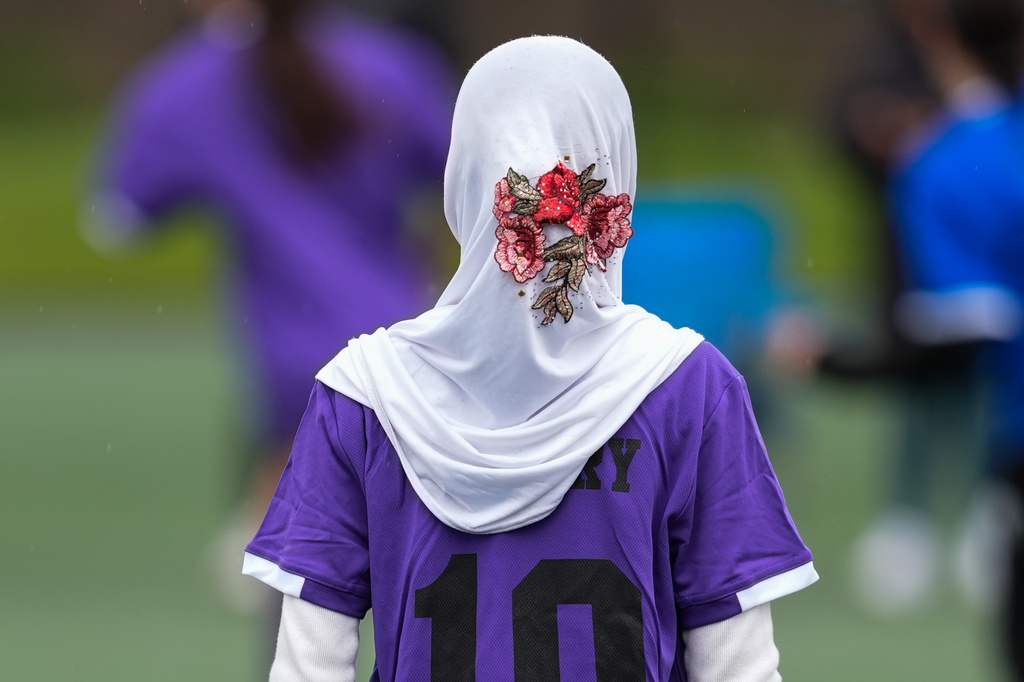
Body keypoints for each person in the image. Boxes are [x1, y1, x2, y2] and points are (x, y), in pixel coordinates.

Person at [242, 36, 817, 680]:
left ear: (464, 169)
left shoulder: (361, 391)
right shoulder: (687, 385)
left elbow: (308, 663)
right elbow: (737, 665)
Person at [83, 0, 455, 615]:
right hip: (409, 354)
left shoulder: (183, 84)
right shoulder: (391, 63)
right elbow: (462, 178)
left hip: (289, 378)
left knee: (293, 601)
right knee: (425, 595)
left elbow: (116, 218)